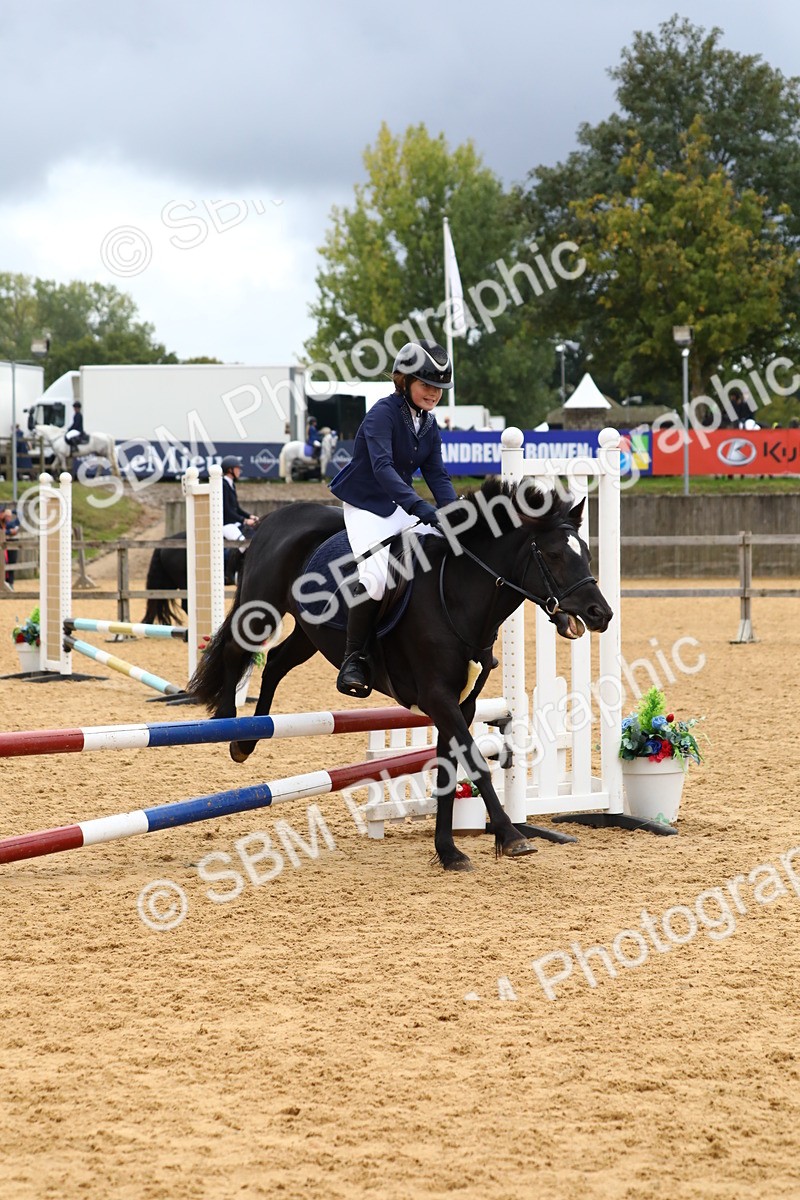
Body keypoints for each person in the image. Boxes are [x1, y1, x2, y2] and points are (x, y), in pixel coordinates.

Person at [328, 339, 458, 698]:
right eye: (427, 385)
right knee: (375, 577)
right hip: (367, 505)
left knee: (441, 547)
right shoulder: (382, 414)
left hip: (400, 504)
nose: (433, 393)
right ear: (404, 381)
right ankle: (354, 658)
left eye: (439, 388)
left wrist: (452, 515)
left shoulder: (429, 425)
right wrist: (421, 508)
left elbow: (438, 476)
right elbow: (382, 468)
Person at [220, 455, 258, 541]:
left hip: (234, 523)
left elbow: (237, 509)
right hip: (226, 525)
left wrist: (250, 516)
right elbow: (227, 509)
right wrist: (244, 520)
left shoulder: (231, 484)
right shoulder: (223, 484)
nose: (239, 471)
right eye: (237, 468)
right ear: (230, 470)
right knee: (243, 543)